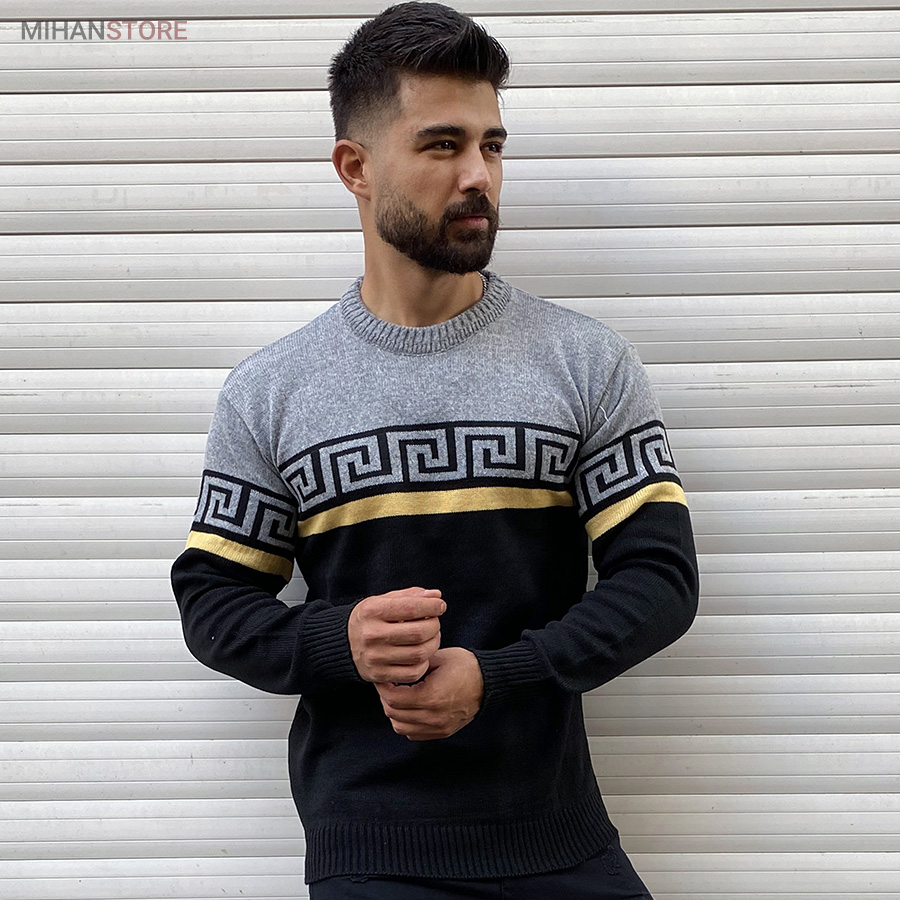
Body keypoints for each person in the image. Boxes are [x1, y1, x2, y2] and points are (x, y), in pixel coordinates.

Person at [171, 3, 700, 897]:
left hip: (559, 839)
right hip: (370, 855)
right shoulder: (272, 390)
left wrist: (496, 676)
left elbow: (660, 581)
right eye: (442, 145)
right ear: (356, 167)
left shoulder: (584, 362)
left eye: (492, 146)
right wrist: (342, 640)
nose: (478, 175)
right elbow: (213, 601)